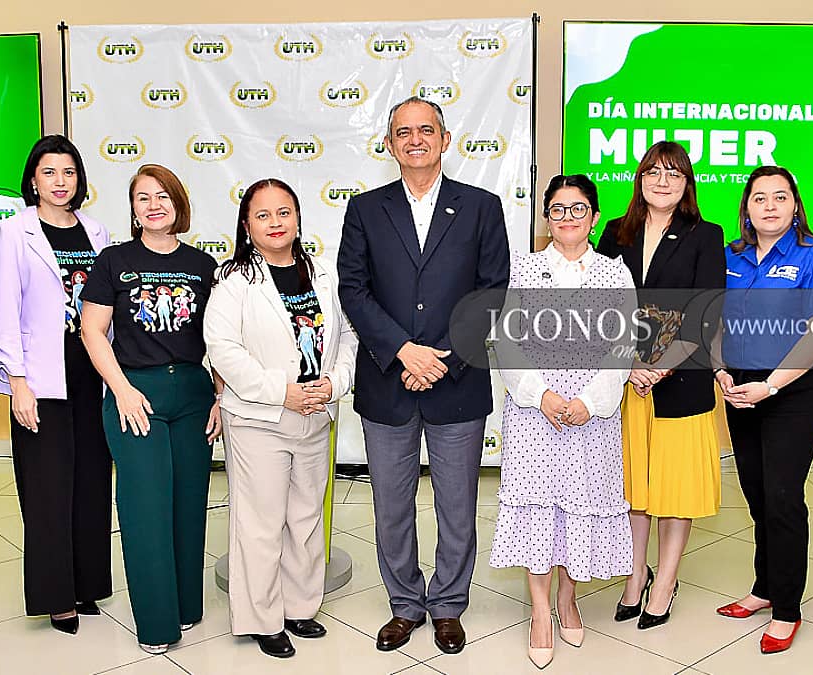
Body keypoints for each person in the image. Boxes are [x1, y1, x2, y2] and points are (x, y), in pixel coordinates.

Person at [337, 96, 510, 654]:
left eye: (426, 130)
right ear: (389, 144)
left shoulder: (481, 207)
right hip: (387, 379)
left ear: (445, 139)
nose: (416, 140)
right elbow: (353, 290)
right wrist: (403, 351)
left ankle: (449, 604)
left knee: (457, 506)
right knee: (391, 506)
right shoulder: (365, 209)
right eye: (404, 132)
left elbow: (493, 293)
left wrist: (442, 358)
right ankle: (406, 603)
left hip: (456, 380)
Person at [205, 178, 358, 658]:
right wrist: (281, 392)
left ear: (297, 218)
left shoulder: (323, 274)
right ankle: (261, 618)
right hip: (259, 420)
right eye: (263, 215)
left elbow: (348, 336)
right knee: (261, 523)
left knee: (306, 518)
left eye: (284, 212)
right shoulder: (232, 280)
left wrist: (334, 383)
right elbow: (223, 349)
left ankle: (299, 607)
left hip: (316, 413)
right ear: (247, 225)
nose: (275, 223)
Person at [490, 175, 633, 669]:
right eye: (557, 209)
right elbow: (507, 342)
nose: (568, 217)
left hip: (593, 418)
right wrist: (542, 396)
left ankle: (568, 600)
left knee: (579, 508)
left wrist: (591, 402)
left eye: (578, 209)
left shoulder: (615, 275)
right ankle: (539, 613)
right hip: (535, 415)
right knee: (538, 511)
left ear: (594, 218)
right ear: (546, 218)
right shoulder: (524, 270)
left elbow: (622, 347)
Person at [79, 164, 222, 654]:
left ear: (178, 203)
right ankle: (157, 625)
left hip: (193, 394)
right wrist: (120, 389)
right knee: (145, 509)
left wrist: (220, 396)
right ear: (133, 209)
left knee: (189, 505)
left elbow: (219, 339)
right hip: (135, 393)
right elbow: (92, 331)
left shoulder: (203, 265)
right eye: (143, 197)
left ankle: (186, 607)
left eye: (163, 195)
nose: (154, 205)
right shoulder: (113, 261)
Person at [712, 166, 813, 654]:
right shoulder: (731, 255)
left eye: (780, 196)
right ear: (746, 208)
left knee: (783, 496)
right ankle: (764, 587)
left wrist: (771, 385)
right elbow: (713, 319)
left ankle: (787, 608)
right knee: (756, 493)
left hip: (794, 390)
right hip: (740, 389)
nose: (770, 205)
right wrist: (719, 370)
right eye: (760, 197)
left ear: (795, 205)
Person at [594, 141, 725, 629]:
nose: (663, 181)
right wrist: (628, 363)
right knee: (633, 488)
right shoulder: (615, 232)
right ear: (640, 179)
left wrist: (660, 365)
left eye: (674, 173)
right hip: (625, 382)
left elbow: (706, 309)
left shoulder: (705, 234)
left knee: (675, 490)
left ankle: (665, 583)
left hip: (682, 380)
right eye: (653, 172)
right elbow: (599, 305)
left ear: (687, 183)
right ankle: (635, 575)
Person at [0, 134, 112, 634]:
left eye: (68, 172)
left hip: (92, 370)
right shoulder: (12, 231)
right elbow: (3, 310)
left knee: (91, 482)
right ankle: (56, 597)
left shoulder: (97, 231)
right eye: (49, 172)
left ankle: (86, 585)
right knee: (46, 488)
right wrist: (16, 381)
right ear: (33, 181)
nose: (60, 182)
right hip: (40, 374)